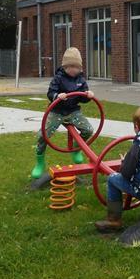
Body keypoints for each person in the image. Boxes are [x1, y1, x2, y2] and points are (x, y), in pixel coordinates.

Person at [31, 47, 94, 181]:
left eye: (76, 67)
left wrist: (88, 95)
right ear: (64, 66)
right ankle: (40, 162)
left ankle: (76, 148)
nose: (73, 69)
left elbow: (83, 98)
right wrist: (57, 95)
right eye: (70, 66)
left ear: (80, 68)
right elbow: (50, 93)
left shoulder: (81, 80)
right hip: (57, 111)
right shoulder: (58, 78)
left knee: (88, 130)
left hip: (73, 111)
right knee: (43, 135)